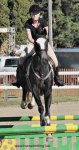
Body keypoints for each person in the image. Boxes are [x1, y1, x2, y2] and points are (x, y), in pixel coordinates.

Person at [12, 4, 64, 87]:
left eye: (36, 13)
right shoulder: (28, 23)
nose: (34, 15)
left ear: (39, 14)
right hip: (33, 44)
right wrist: (36, 42)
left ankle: (57, 79)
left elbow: (46, 35)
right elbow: (29, 37)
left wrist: (40, 41)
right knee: (21, 58)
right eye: (33, 13)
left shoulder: (43, 22)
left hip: (43, 44)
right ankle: (19, 80)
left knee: (55, 61)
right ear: (31, 14)